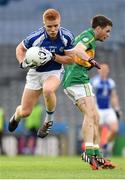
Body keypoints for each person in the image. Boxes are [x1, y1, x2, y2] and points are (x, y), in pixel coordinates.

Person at [8, 8, 92, 139]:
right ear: (44, 24)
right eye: (49, 27)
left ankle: (48, 121)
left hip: (54, 71)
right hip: (35, 73)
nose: (53, 29)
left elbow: (70, 60)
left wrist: (52, 56)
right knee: (25, 112)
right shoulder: (35, 37)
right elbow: (20, 48)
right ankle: (16, 116)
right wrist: (21, 62)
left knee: (48, 90)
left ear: (60, 23)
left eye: (55, 26)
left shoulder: (67, 37)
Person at [63, 15, 115, 170]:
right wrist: (90, 60)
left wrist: (85, 62)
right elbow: (79, 49)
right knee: (91, 115)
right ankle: (88, 152)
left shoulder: (88, 38)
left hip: (79, 81)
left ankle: (97, 156)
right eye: (107, 31)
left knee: (95, 116)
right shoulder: (88, 36)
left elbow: (71, 52)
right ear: (98, 28)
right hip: (77, 81)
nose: (108, 34)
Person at [91, 63, 121, 157]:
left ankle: (105, 145)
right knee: (98, 130)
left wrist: (117, 109)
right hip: (98, 109)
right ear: (98, 70)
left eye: (105, 69)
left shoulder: (111, 82)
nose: (104, 71)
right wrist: (92, 108)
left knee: (114, 130)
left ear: (108, 71)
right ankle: (99, 151)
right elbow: (91, 95)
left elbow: (113, 96)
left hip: (108, 109)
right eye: (102, 69)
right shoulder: (94, 81)